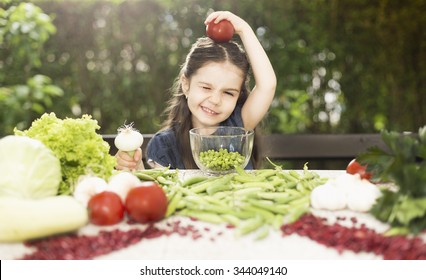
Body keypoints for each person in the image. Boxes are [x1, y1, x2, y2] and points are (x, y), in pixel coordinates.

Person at [115, 11, 276, 170]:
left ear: (238, 95)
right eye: (206, 87)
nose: (215, 100)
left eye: (228, 92)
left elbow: (267, 85)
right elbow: (162, 191)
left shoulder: (240, 125)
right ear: (186, 84)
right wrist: (135, 168)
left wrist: (244, 29)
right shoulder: (165, 145)